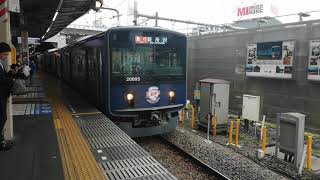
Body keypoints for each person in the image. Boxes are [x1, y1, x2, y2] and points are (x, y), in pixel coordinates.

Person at [0, 42, 14, 150]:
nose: (6, 56)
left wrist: (11, 73)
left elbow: (4, 76)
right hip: (0, 95)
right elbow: (1, 79)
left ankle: (1, 141)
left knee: (2, 118)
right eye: (5, 54)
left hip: (3, 95)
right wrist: (12, 79)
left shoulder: (0, 63)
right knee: (2, 118)